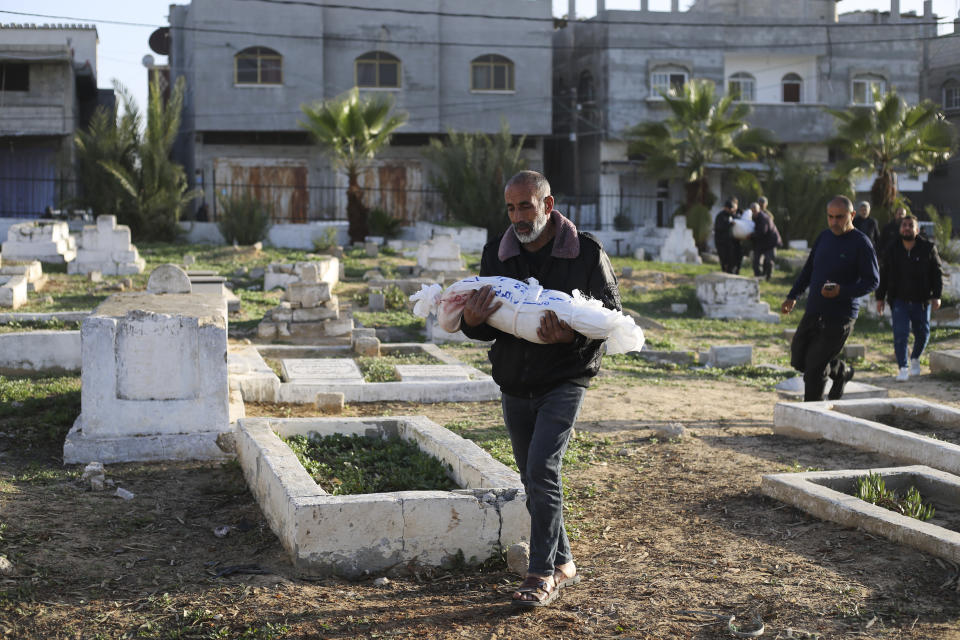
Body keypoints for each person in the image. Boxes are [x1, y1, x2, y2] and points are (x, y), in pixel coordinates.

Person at [459, 170, 620, 608]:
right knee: (532, 478)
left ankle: (540, 574)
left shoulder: (584, 252)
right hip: (515, 379)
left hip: (565, 377)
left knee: (542, 470)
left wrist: (569, 337)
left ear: (548, 205)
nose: (517, 217)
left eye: (526, 206)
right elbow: (487, 322)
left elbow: (610, 317)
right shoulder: (498, 253)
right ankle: (564, 562)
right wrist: (469, 322)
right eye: (510, 208)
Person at [781, 196, 879, 401]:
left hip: (841, 315)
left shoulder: (861, 243)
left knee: (814, 369)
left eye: (840, 217)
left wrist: (841, 291)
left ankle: (813, 414)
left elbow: (872, 281)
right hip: (815, 309)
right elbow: (808, 270)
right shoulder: (824, 237)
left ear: (852, 215)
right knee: (799, 358)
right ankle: (841, 371)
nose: (834, 222)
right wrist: (793, 296)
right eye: (830, 217)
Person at [875, 214, 943, 381]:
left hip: (922, 300)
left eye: (910, 225)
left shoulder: (928, 248)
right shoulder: (892, 249)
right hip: (899, 300)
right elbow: (883, 275)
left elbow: (937, 273)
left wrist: (937, 296)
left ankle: (915, 358)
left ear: (917, 229)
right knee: (900, 333)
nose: (906, 228)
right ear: (900, 229)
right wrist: (880, 298)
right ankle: (903, 367)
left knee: (923, 333)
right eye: (904, 225)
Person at [751, 199, 781, 280]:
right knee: (756, 261)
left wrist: (751, 235)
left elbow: (762, 231)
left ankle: (768, 277)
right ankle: (758, 277)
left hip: (770, 241)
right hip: (761, 241)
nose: (753, 213)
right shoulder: (755, 217)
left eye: (755, 211)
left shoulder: (764, 217)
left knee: (769, 261)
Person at [714, 198, 739, 274]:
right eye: (730, 209)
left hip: (729, 242)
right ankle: (725, 271)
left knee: (731, 258)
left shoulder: (731, 215)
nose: (731, 210)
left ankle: (730, 272)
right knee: (724, 259)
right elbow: (720, 227)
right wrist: (729, 224)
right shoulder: (720, 216)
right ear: (726, 208)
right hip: (721, 242)